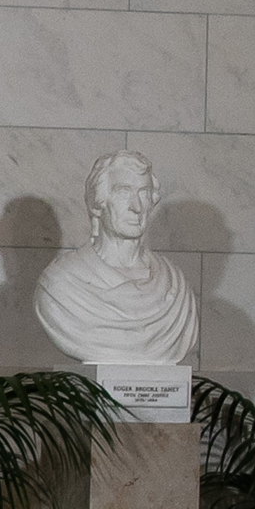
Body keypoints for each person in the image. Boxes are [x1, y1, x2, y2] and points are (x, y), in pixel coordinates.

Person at [34, 149, 198, 365]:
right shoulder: (60, 286)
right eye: (123, 191)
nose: (136, 207)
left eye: (144, 193)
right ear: (98, 204)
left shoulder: (175, 286)